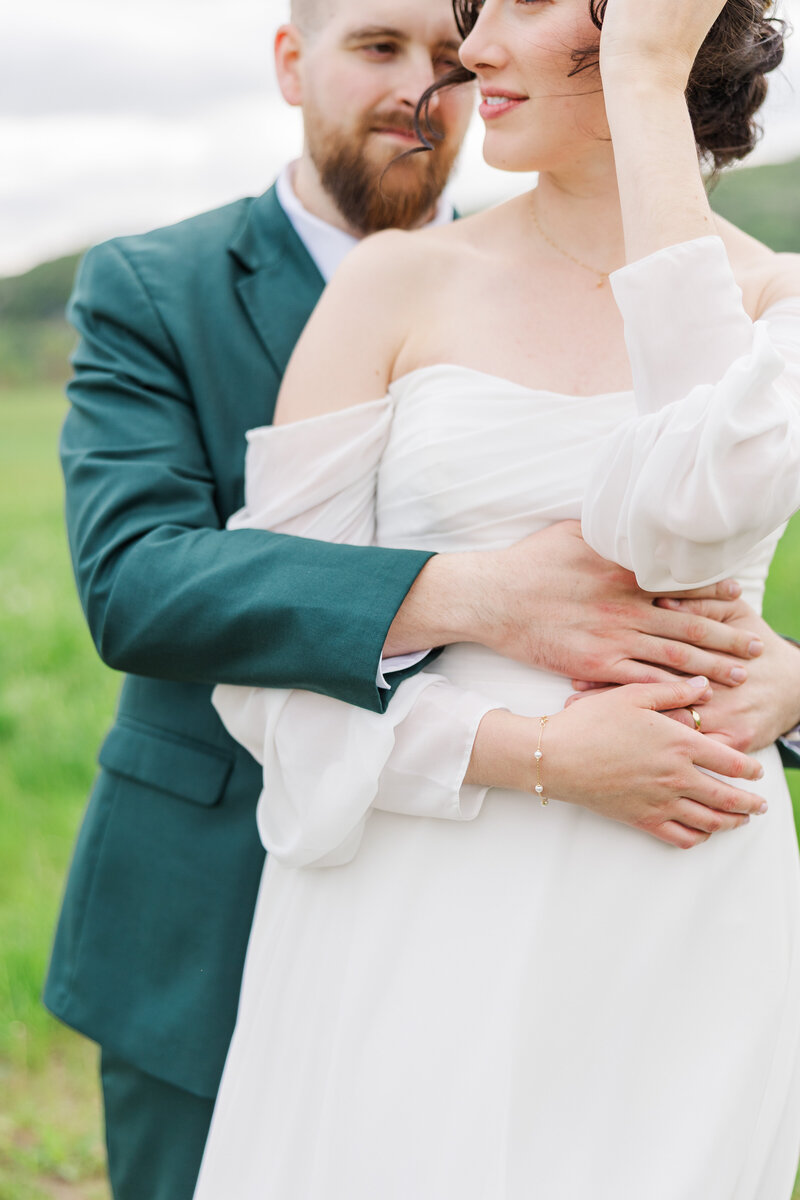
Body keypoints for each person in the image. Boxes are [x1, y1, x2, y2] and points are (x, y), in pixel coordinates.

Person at [44, 0, 799, 1196]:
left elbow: (685, 504)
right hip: (404, 887)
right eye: (412, 34)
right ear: (290, 64)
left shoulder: (774, 307)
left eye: (507, 9)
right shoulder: (388, 284)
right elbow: (171, 599)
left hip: (681, 900)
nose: (464, 55)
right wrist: (524, 701)